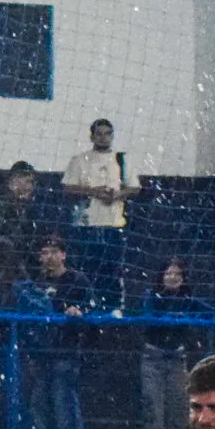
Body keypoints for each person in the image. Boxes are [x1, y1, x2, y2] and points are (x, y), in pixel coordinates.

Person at [16, 237, 92, 429]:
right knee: (41, 406)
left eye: (53, 251)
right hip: (41, 353)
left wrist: (79, 311)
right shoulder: (36, 284)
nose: (48, 257)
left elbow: (91, 309)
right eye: (44, 252)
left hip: (65, 351)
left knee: (64, 405)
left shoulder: (77, 280)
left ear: (63, 254)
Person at [136, 260, 215, 429]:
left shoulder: (187, 300)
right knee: (153, 411)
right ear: (161, 276)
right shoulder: (151, 296)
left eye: (177, 274)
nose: (173, 277)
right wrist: (175, 316)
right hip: (153, 358)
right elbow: (149, 314)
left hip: (177, 359)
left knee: (179, 411)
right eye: (169, 273)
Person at [61, 118, 137, 306]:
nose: (103, 138)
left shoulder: (121, 160)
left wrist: (116, 194)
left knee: (113, 272)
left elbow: (135, 187)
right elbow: (68, 187)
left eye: (107, 134)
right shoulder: (80, 160)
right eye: (99, 134)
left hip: (114, 225)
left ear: (112, 136)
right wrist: (93, 192)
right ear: (92, 136)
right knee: (87, 270)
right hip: (87, 225)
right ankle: (87, 305)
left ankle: (113, 308)